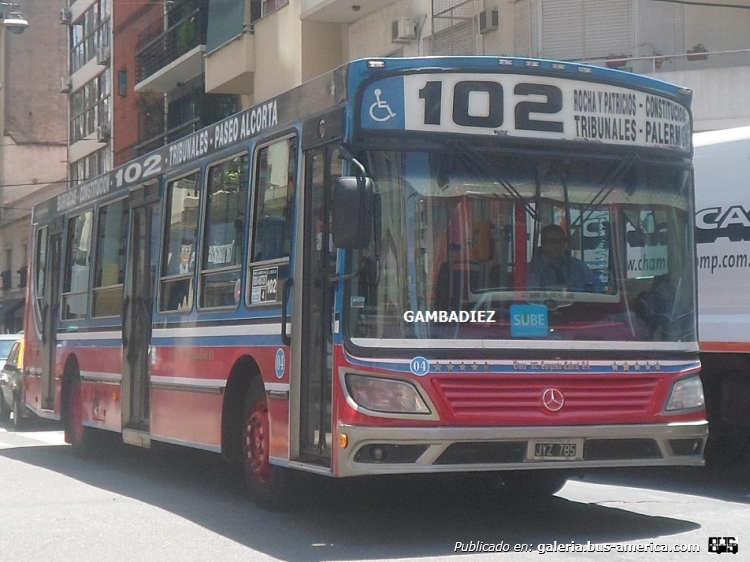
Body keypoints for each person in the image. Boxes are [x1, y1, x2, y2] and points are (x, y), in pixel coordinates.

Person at [528, 224, 602, 292]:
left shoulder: (579, 267)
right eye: (554, 241)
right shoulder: (532, 269)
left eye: (562, 241)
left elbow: (598, 287)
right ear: (543, 244)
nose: (558, 245)